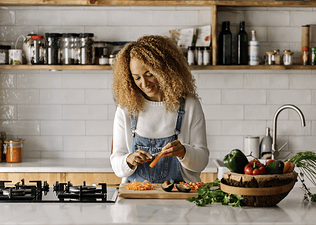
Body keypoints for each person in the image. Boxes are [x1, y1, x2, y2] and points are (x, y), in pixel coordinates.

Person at [110, 35, 209, 184]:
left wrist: (184, 152)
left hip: (180, 198)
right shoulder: (126, 109)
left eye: (149, 74)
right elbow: (116, 163)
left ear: (166, 70)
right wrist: (129, 160)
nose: (144, 83)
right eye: (137, 78)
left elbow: (202, 160)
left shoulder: (189, 105)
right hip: (136, 198)